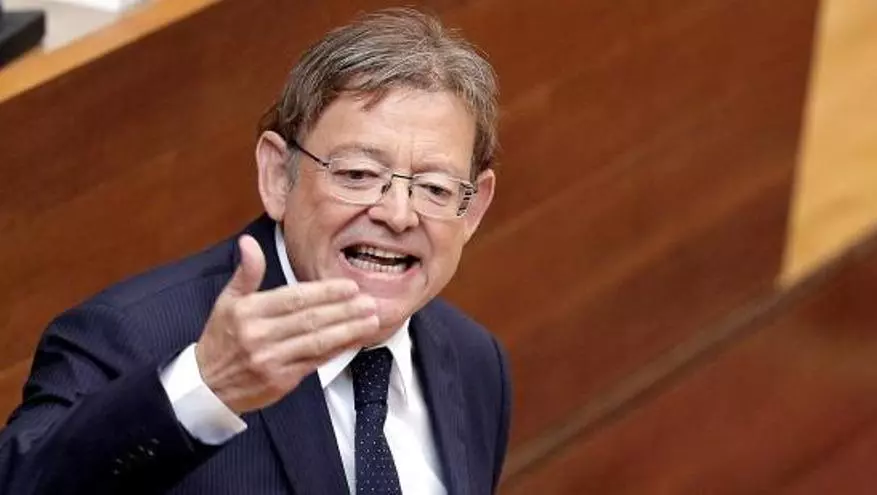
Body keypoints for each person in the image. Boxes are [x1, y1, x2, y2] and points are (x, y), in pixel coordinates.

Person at [0, 8, 510, 495]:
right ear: (277, 175)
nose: (398, 214)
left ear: (473, 208)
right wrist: (205, 388)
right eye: (358, 174)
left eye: (435, 188)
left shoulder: (473, 359)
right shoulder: (130, 338)